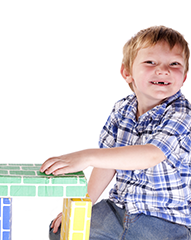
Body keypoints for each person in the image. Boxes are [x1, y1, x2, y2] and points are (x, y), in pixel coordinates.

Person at [41, 25, 191, 239]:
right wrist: (84, 204)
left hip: (164, 220)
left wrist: (87, 156)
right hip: (118, 209)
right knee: (63, 231)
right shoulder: (122, 109)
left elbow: (151, 154)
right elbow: (107, 163)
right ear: (127, 72)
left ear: (184, 76)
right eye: (151, 62)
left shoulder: (182, 114)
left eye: (174, 64)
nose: (164, 70)